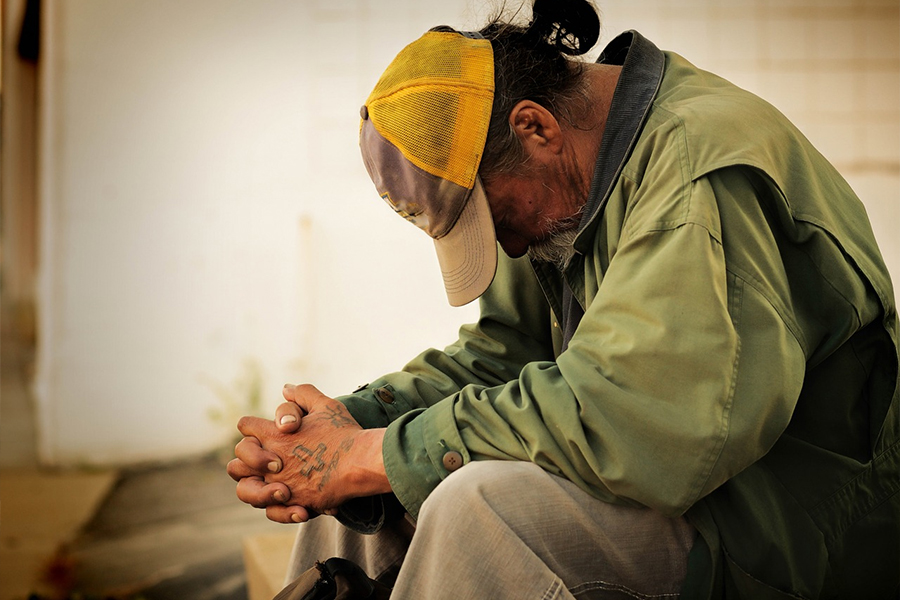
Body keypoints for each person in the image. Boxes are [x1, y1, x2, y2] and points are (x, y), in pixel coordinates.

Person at [227, 0, 900, 598]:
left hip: (777, 531)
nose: (510, 250)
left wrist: (376, 455)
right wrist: (346, 428)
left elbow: (645, 425)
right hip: (679, 488)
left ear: (535, 128)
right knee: (366, 503)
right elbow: (508, 352)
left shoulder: (697, 175)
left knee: (479, 508)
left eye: (492, 220)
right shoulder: (557, 184)